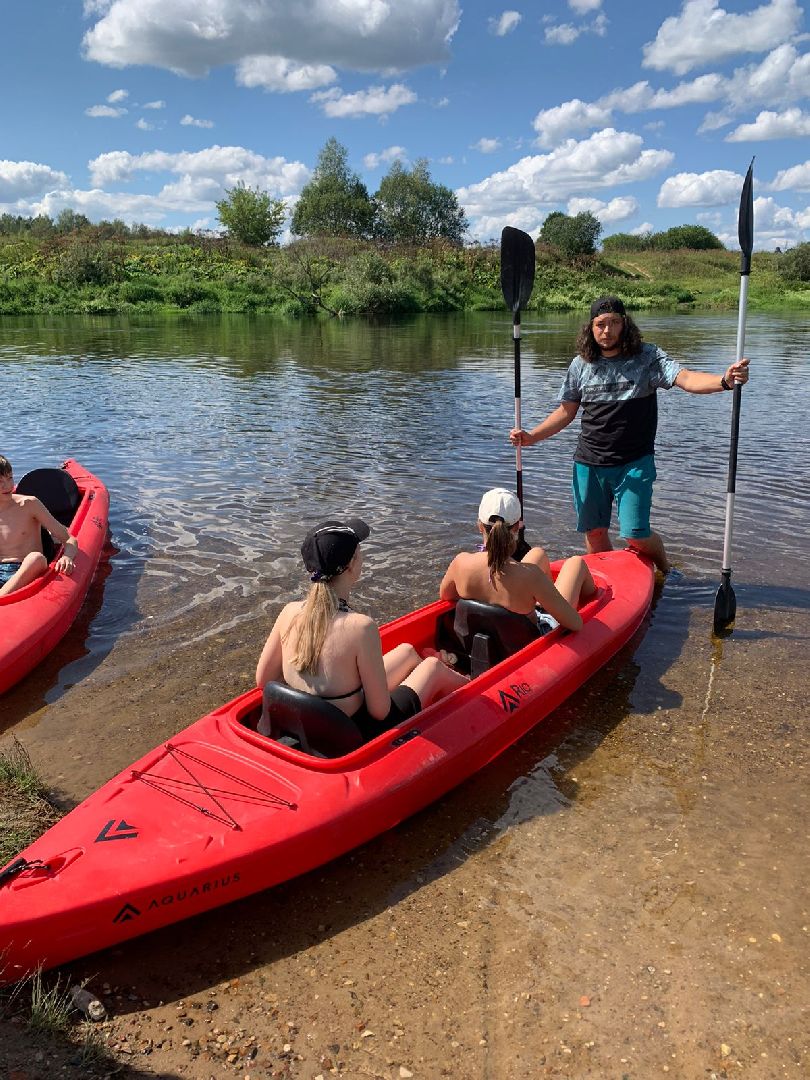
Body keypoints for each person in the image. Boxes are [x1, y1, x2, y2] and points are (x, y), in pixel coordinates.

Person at [509, 296, 750, 574]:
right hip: (589, 463)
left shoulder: (647, 357)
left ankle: (666, 572)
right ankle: (609, 583)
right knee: (595, 533)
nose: (607, 331)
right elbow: (566, 412)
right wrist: (531, 436)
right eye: (600, 324)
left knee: (636, 533)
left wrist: (723, 381)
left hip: (634, 463)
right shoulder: (580, 365)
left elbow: (685, 378)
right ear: (591, 327)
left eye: (614, 323)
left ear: (625, 325)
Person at [255, 518, 467, 741]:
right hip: (352, 732)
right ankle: (477, 685)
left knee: (406, 651)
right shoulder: (360, 627)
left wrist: (318, 687)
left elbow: (264, 680)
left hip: (308, 721)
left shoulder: (289, 611)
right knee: (433, 667)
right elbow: (380, 712)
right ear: (352, 564)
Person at [439, 488, 596, 632]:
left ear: (480, 525)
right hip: (527, 636)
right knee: (577, 563)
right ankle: (596, 602)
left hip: (493, 633)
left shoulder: (460, 563)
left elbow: (446, 596)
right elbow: (576, 624)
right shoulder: (531, 576)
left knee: (537, 553)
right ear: (516, 527)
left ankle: (543, 598)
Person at [0, 455, 79, 597]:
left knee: (36, 558)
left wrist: (67, 557)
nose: (7, 485)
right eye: (0, 482)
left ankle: (2, 598)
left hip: (25, 569)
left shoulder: (29, 504)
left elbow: (69, 539)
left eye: (10, 478)